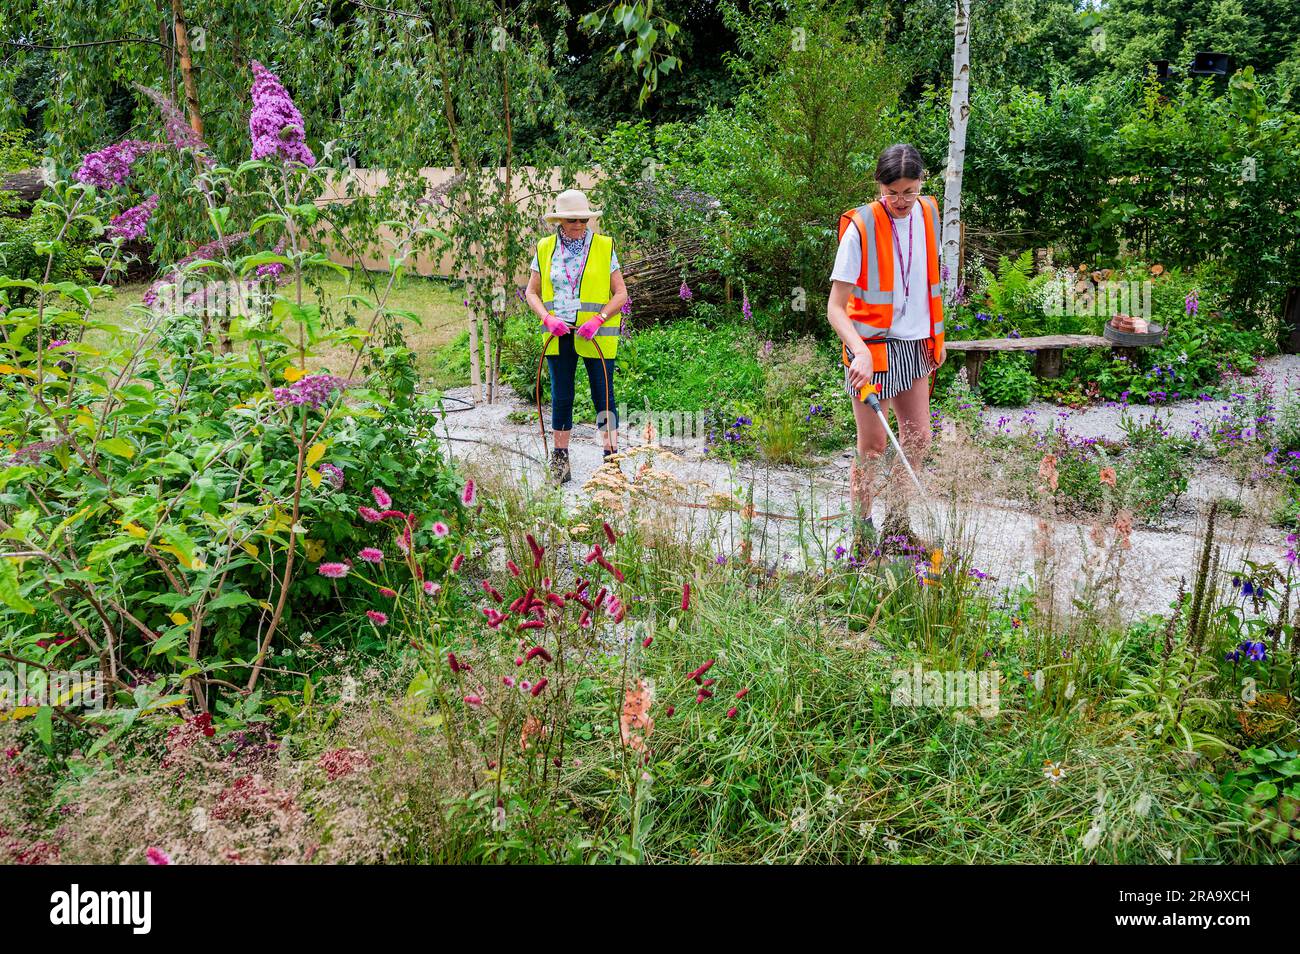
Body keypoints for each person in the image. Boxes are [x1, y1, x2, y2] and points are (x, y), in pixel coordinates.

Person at [827, 143, 946, 560]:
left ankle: (898, 528)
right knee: (873, 448)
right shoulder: (860, 227)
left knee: (918, 441)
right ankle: (862, 536)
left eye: (909, 191)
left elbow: (929, 282)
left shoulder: (929, 213)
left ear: (921, 184)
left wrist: (936, 337)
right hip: (871, 350)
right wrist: (857, 351)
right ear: (878, 185)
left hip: (915, 346)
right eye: (891, 191)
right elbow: (834, 308)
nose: (900, 201)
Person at [524, 189, 629, 485]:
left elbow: (620, 293)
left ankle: (611, 462)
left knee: (603, 395)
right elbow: (532, 292)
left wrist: (598, 318)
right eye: (573, 220)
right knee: (562, 395)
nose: (580, 225)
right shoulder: (544, 248)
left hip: (595, 334)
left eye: (584, 219)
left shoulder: (604, 247)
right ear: (559, 220)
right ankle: (560, 460)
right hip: (559, 335)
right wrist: (547, 317)